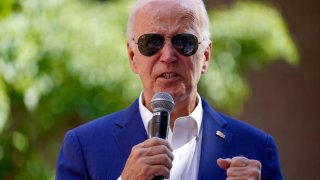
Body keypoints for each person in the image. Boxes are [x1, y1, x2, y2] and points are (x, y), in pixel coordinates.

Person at [56, 0, 283, 179]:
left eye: (183, 42)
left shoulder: (257, 148)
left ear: (205, 56)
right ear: (133, 57)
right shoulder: (84, 147)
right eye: (152, 42)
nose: (167, 56)